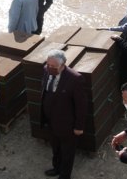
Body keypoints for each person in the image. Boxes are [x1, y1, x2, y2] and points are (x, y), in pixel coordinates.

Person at [41, 50, 87, 179]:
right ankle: (56, 168)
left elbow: (81, 106)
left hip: (67, 124)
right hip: (50, 120)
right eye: (48, 65)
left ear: (63, 65)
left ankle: (65, 175)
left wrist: (79, 127)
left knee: (67, 152)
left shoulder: (75, 79)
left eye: (53, 66)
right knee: (55, 147)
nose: (49, 68)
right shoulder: (46, 70)